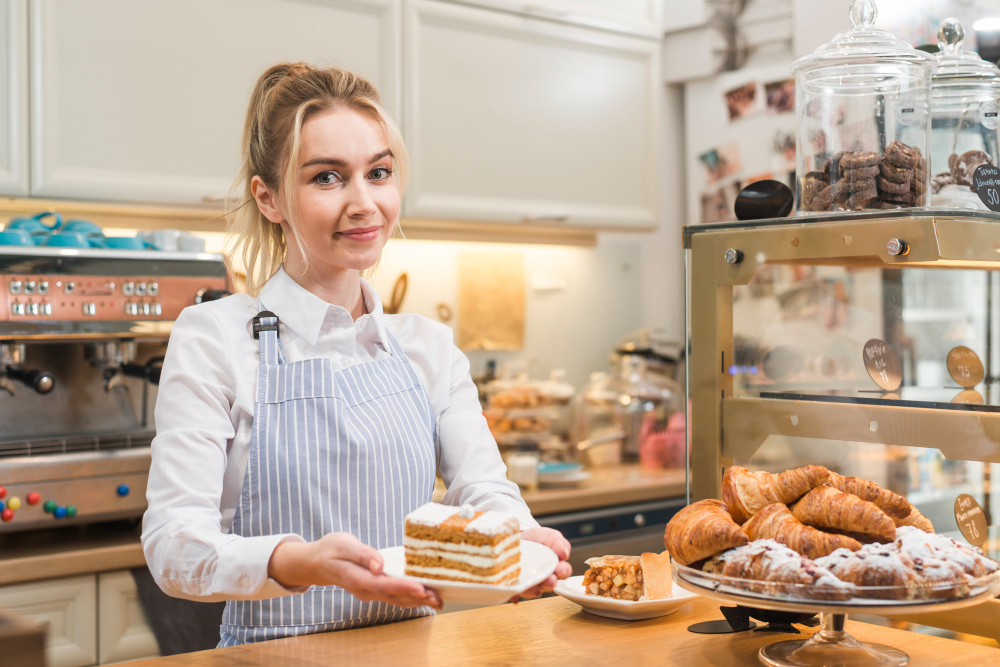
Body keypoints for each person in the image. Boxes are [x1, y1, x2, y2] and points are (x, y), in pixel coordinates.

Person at [141, 63, 571, 646]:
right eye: (327, 178)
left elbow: (482, 490)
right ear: (268, 198)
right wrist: (301, 562)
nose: (364, 202)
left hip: (413, 654)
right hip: (272, 659)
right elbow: (173, 546)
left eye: (379, 172)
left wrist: (519, 537)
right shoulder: (214, 336)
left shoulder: (426, 345)